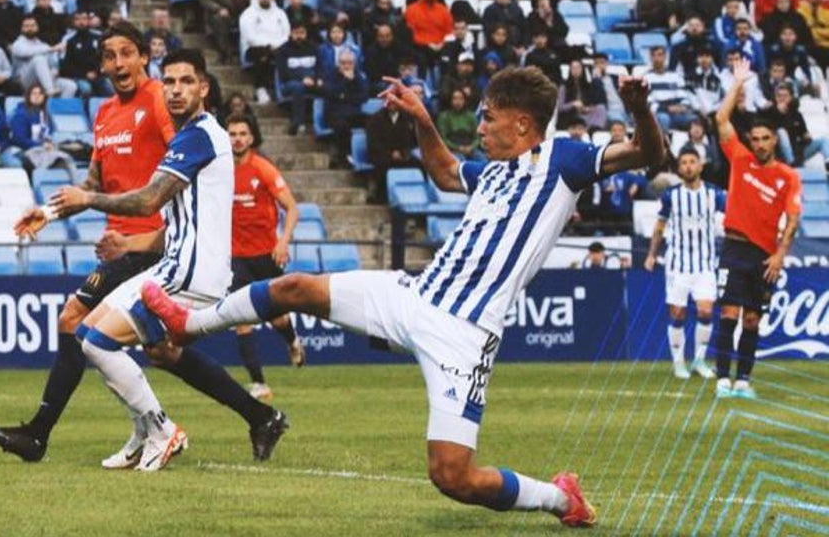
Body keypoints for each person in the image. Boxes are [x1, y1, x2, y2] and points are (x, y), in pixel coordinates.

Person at [143, 67, 664, 525]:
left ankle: (558, 497)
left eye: (488, 118)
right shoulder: (492, 173)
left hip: (463, 336)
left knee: (452, 476)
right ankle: (189, 325)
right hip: (412, 296)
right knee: (293, 286)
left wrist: (638, 108)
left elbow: (646, 152)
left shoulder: (563, 161)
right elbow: (441, 171)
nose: (479, 127)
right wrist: (420, 116)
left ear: (522, 124)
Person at [0, 32, 284, 465]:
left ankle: (54, 433)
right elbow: (92, 183)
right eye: (110, 56)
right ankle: (248, 416)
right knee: (156, 350)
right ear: (102, 66)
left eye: (128, 53)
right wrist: (49, 214)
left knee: (81, 323)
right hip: (139, 241)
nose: (119, 62)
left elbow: (158, 192)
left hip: (155, 247)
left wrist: (133, 232)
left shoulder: (166, 110)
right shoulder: (106, 115)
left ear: (145, 59)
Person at [712, 59, 802, 399]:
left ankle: (744, 381)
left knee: (752, 319)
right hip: (735, 247)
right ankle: (723, 379)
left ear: (774, 141)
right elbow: (721, 119)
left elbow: (792, 219)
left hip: (765, 255)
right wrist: (738, 83)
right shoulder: (740, 159)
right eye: (756, 139)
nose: (760, 143)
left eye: (765, 138)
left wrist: (780, 254)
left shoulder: (788, 177)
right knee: (729, 313)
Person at [224, 113, 304, 400]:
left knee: (278, 319)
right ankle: (258, 383)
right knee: (240, 319)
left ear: (251, 137)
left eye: (242, 133)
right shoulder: (220, 171)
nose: (237, 139)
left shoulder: (263, 169)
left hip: (265, 255)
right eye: (232, 134)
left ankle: (292, 340)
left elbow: (292, 208)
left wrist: (283, 242)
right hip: (236, 257)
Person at [644, 150, 723, 380]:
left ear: (700, 166)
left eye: (692, 162)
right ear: (679, 169)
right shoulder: (671, 196)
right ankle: (679, 364)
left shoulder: (715, 195)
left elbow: (734, 216)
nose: (688, 166)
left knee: (706, 311)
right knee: (678, 315)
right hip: (678, 265)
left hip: (705, 265)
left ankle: (699, 360)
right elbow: (660, 226)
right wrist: (651, 254)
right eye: (684, 163)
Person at [9, 85, 82, 184]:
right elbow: (18, 139)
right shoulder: (20, 114)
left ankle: (78, 188)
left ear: (44, 97)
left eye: (40, 94)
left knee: (67, 159)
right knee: (63, 160)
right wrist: (41, 145)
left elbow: (49, 133)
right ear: (28, 96)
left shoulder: (45, 114)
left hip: (44, 149)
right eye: (34, 93)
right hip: (27, 150)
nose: (37, 96)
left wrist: (49, 143)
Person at [239, 0, 290, 104]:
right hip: (255, 47)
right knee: (262, 55)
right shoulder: (248, 14)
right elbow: (249, 36)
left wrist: (276, 45)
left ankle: (283, 89)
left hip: (278, 46)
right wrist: (268, 45)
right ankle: (260, 88)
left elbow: (286, 33)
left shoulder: (280, 13)